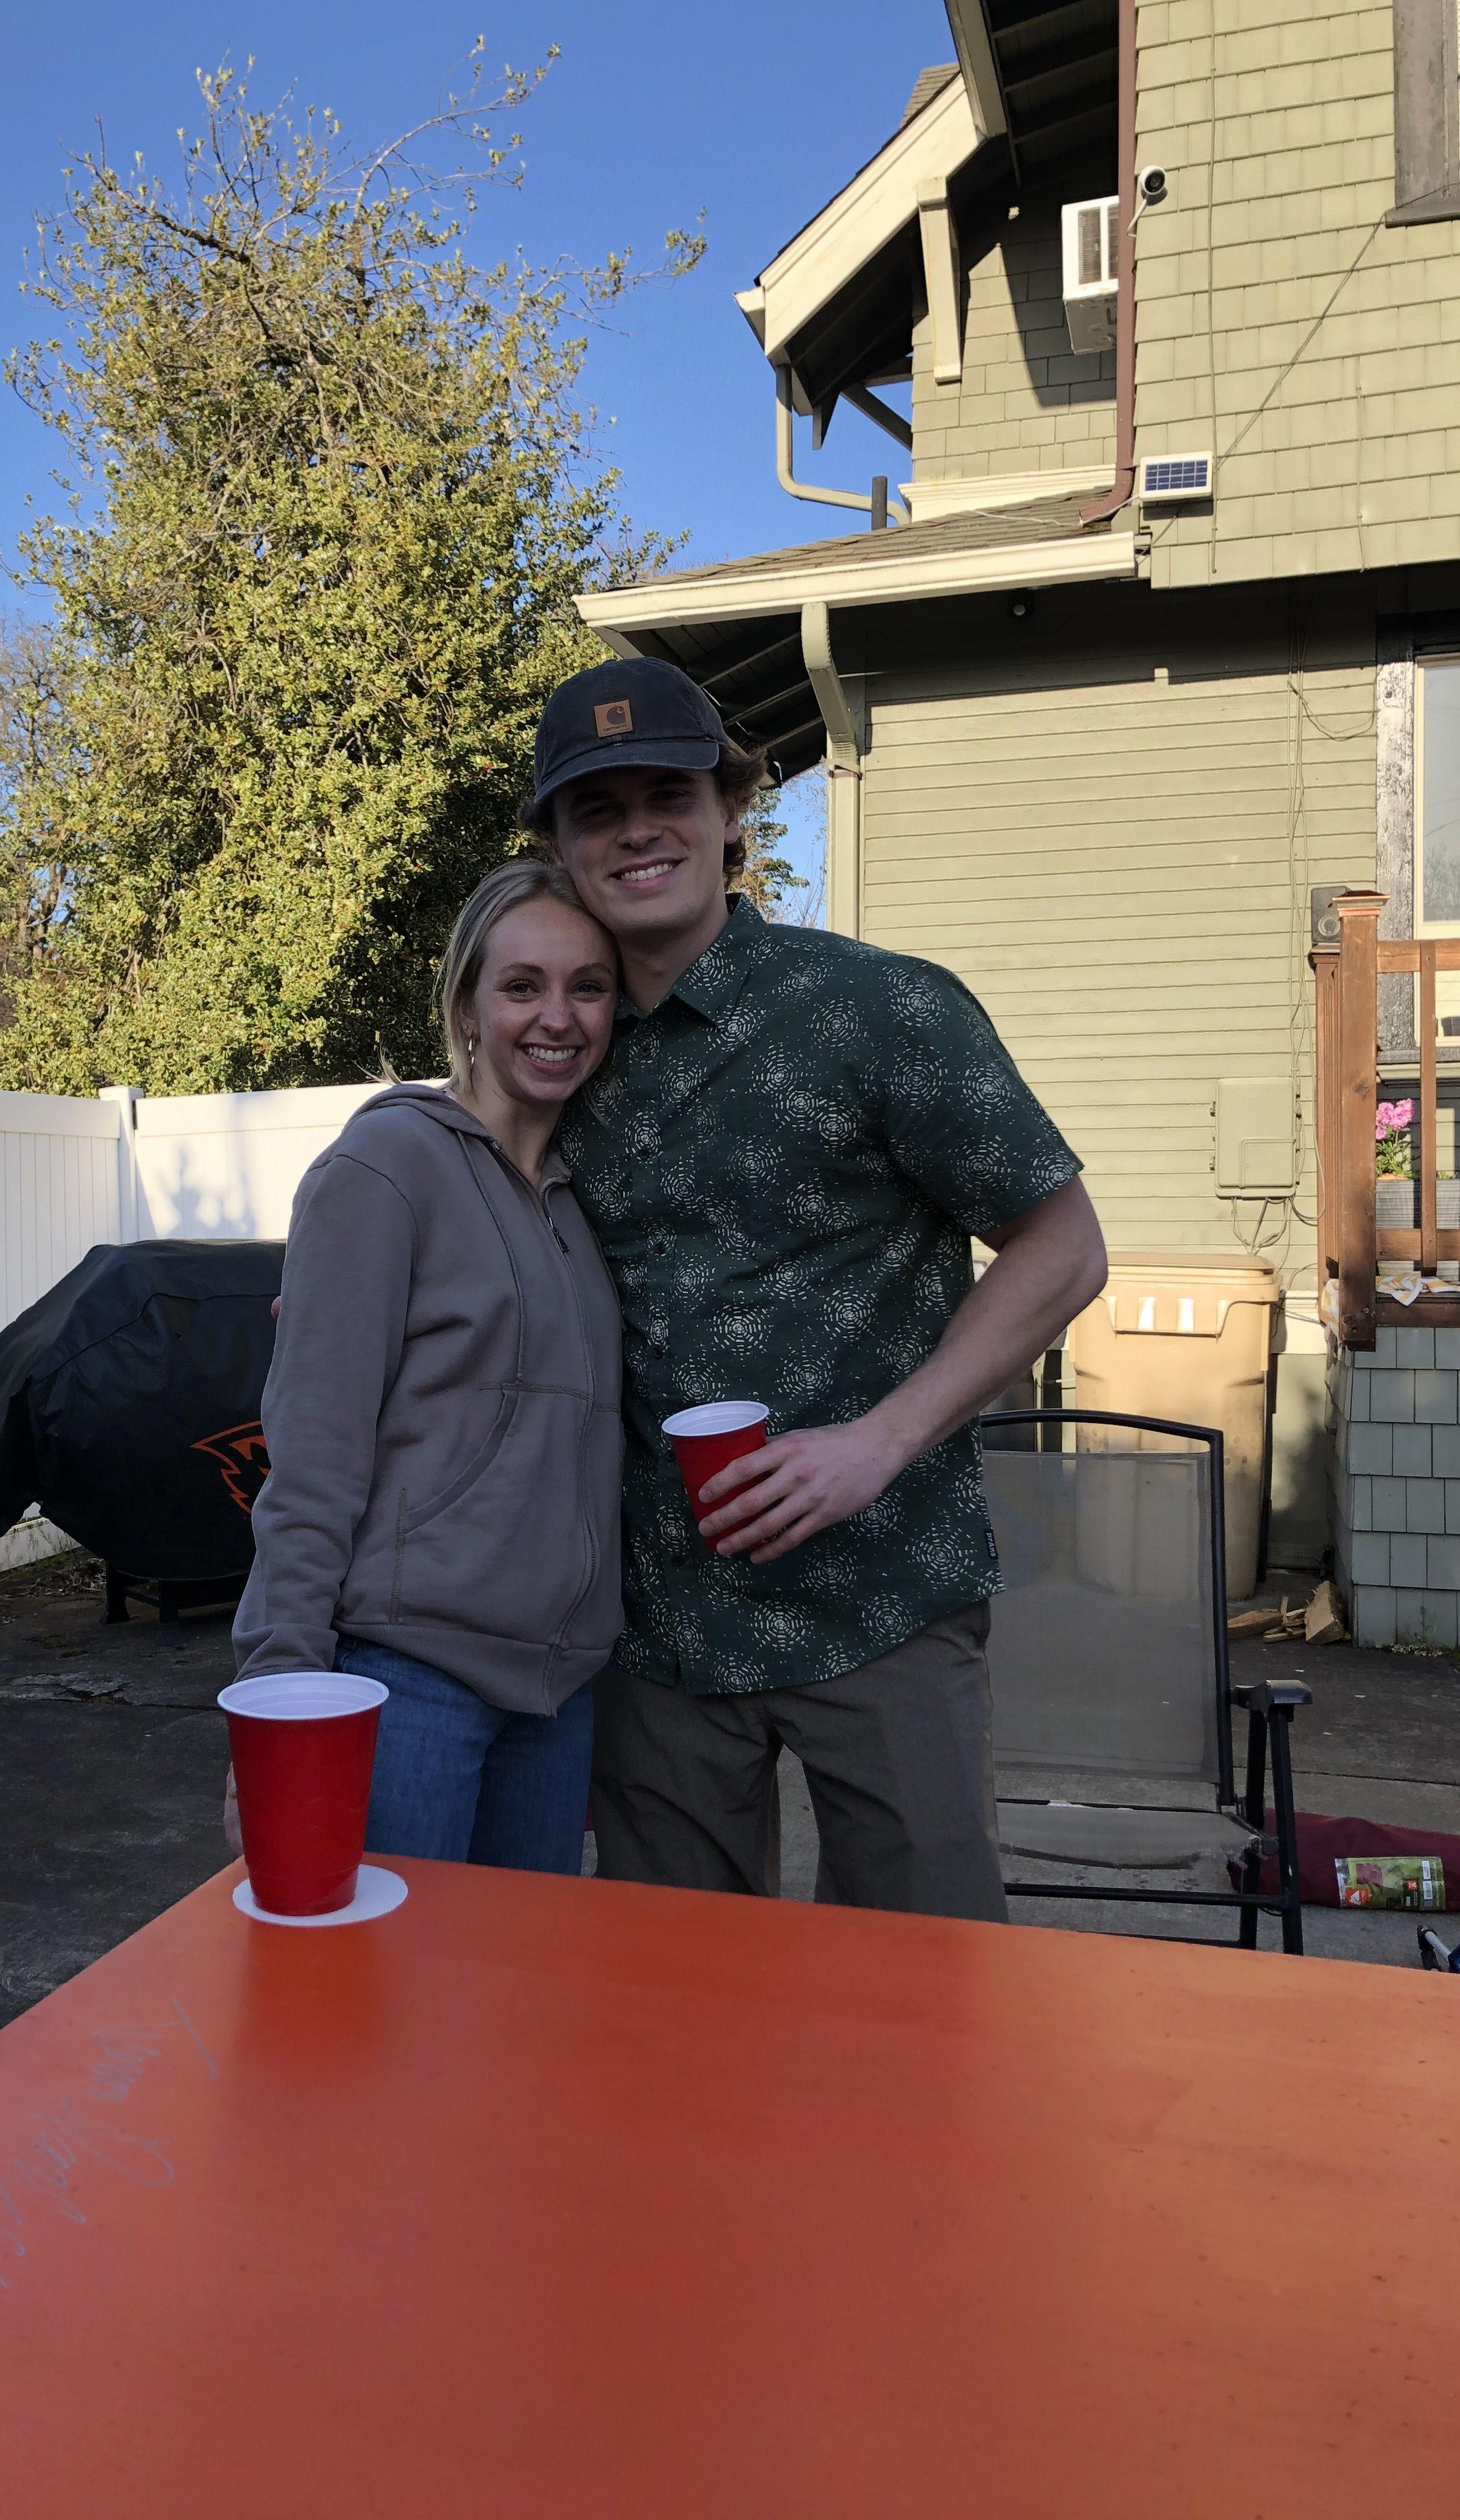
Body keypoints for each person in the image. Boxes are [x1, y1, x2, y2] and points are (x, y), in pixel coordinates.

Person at [529, 654, 1109, 1919]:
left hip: (884, 1595)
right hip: (658, 1627)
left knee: (925, 2001)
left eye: (668, 793)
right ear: (560, 849)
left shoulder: (880, 1010)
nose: (637, 827)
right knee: (683, 2015)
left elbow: (1064, 1248)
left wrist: (878, 1443)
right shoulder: (554, 1050)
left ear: (731, 810)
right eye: (596, 807)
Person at [228, 860, 625, 1873]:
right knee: (383, 2014)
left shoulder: (584, 1208)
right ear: (465, 1005)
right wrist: (280, 1696)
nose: (559, 1017)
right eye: (522, 986)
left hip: (555, 1699)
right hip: (407, 1684)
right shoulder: (386, 1169)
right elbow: (311, 1455)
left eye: (589, 987)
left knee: (516, 2016)